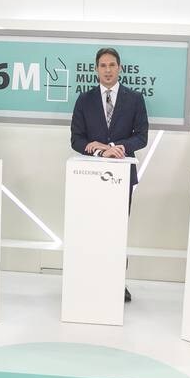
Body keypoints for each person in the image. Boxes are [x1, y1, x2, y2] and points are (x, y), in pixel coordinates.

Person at [70, 47, 150, 302]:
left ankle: (117, 281)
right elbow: (76, 139)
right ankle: (91, 279)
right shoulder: (84, 99)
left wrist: (119, 148)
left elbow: (142, 136)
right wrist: (97, 151)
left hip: (122, 176)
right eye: (102, 65)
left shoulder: (135, 99)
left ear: (120, 68)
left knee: (117, 231)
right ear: (96, 69)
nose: (107, 70)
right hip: (90, 177)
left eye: (112, 65)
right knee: (92, 229)